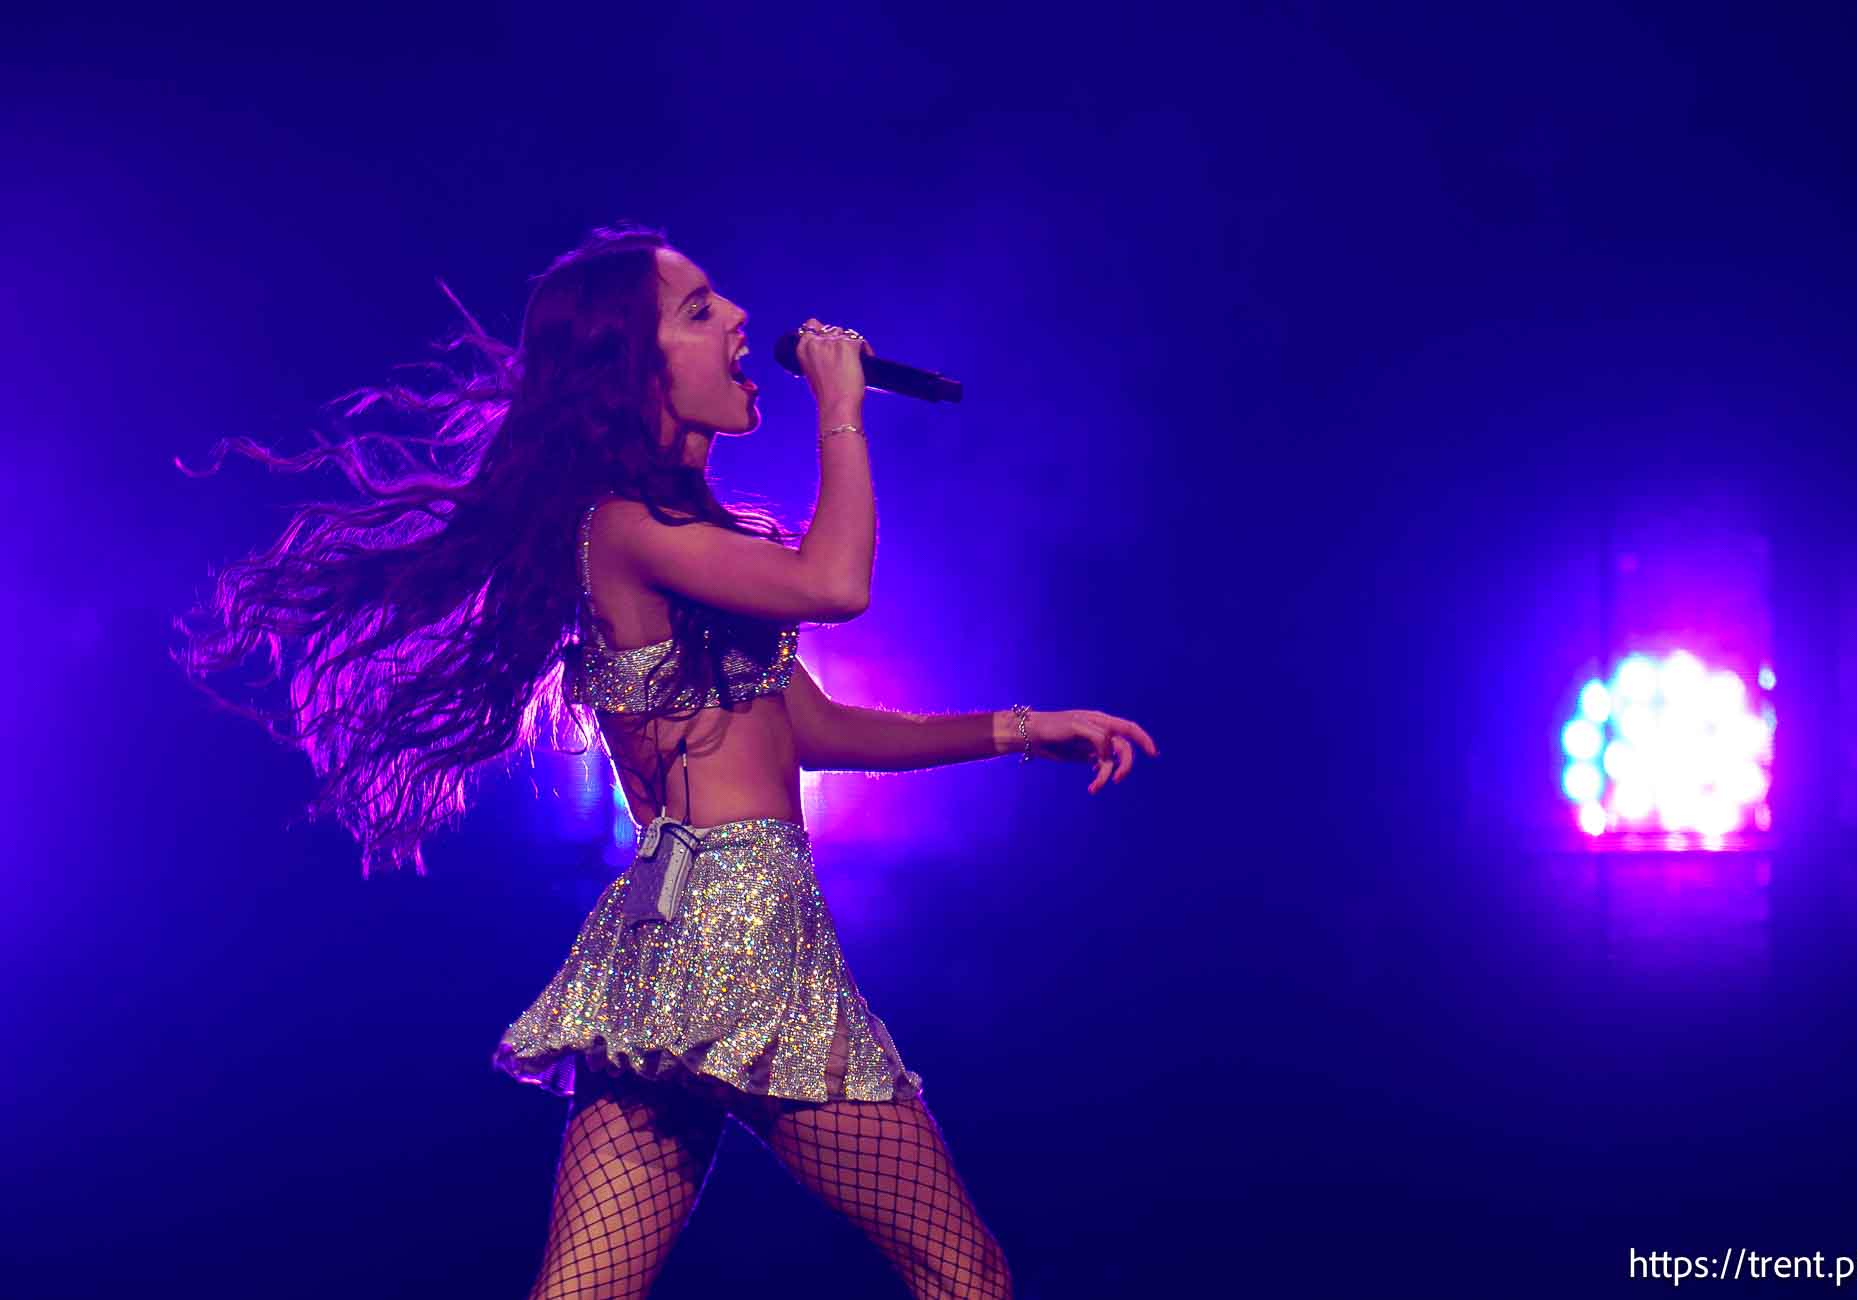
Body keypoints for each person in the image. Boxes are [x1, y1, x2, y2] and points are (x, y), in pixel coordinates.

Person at [173, 222, 1158, 1298]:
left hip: (662, 944)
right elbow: (837, 584)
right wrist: (841, 406)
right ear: (633, 370)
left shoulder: (688, 538)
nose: (743, 319)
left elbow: (815, 730)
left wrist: (1020, 728)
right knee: (963, 1276)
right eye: (699, 309)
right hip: (740, 935)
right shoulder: (620, 528)